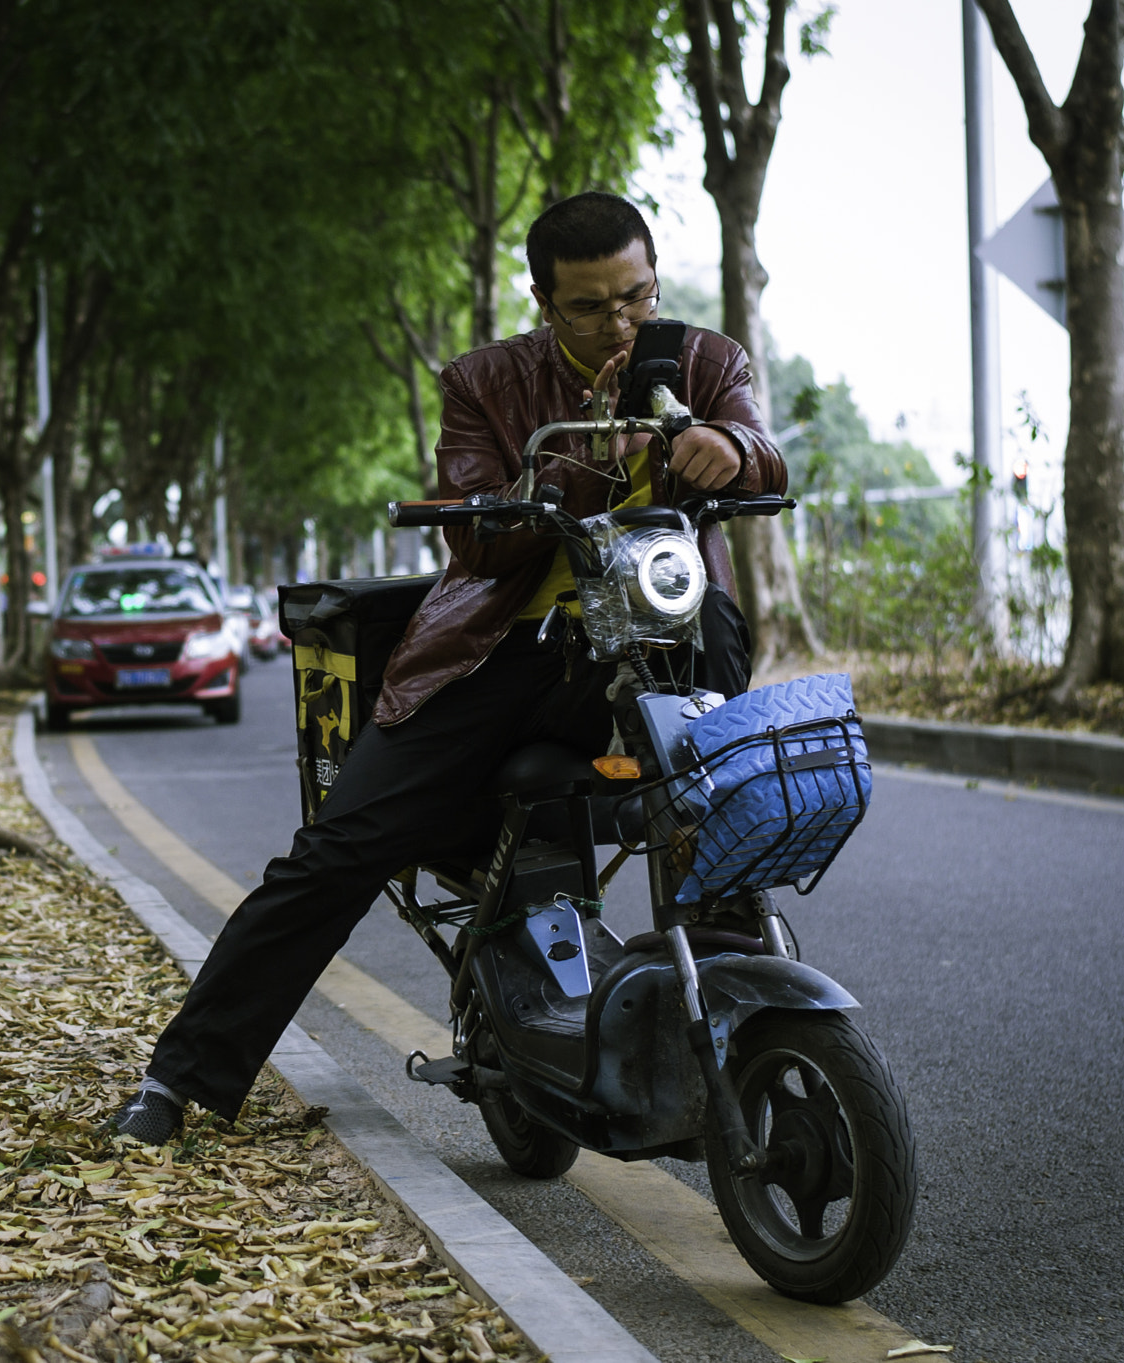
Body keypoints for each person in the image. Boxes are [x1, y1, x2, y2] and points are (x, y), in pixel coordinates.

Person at [113, 192, 787, 1142]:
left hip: (650, 640)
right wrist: (597, 445)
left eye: (635, 297)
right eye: (590, 308)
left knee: (715, 688)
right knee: (336, 853)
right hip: (498, 652)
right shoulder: (484, 380)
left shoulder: (705, 360)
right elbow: (477, 541)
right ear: (544, 303)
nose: (619, 324)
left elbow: (764, 453)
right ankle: (177, 1082)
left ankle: (721, 954)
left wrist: (730, 448)